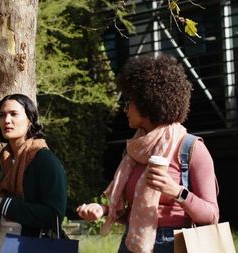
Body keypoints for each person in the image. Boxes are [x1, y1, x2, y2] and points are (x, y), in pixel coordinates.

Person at [76, 54, 219, 253]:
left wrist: (176, 192)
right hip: (132, 242)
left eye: (130, 102)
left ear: (147, 103)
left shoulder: (191, 148)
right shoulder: (135, 149)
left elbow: (212, 215)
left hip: (174, 244)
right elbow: (137, 211)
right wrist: (105, 210)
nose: (125, 109)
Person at [0, 94, 67, 253]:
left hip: (34, 247)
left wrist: (3, 204)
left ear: (30, 119)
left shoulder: (45, 161)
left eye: (14, 114)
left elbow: (54, 215)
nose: (7, 120)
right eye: (2, 115)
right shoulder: (0, 167)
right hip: (1, 248)